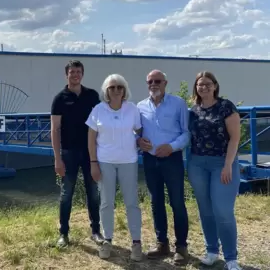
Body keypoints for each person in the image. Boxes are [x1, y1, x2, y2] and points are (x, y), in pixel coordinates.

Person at [187, 71, 242, 270]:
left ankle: (231, 258)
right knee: (206, 210)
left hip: (222, 163)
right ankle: (212, 251)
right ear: (196, 87)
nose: (204, 87)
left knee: (223, 210)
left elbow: (235, 138)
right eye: (200, 84)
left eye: (208, 84)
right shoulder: (193, 110)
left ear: (215, 86)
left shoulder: (226, 107)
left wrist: (228, 164)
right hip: (197, 164)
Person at [86, 74, 143, 261]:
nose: (116, 90)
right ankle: (107, 239)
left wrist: (140, 141)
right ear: (106, 91)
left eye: (119, 87)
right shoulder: (98, 110)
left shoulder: (132, 109)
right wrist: (93, 162)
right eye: (112, 87)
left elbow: (139, 131)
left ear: (124, 90)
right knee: (106, 202)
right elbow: (91, 139)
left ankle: (136, 243)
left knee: (132, 203)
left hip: (128, 161)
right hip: (105, 162)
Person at [136, 69, 190, 265]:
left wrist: (172, 147)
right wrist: (138, 141)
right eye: (149, 81)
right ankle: (162, 243)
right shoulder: (140, 106)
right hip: (150, 160)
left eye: (157, 81)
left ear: (165, 83)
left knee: (177, 202)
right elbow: (136, 132)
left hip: (172, 159)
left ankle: (182, 246)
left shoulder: (178, 104)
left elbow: (186, 133)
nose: (153, 84)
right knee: (156, 201)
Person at [50, 60, 104, 247]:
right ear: (67, 75)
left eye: (78, 72)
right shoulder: (60, 99)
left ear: (82, 74)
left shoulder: (92, 96)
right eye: (72, 72)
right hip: (68, 152)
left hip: (90, 151)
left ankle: (96, 231)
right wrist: (57, 159)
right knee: (66, 194)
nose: (75, 75)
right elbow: (55, 129)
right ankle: (63, 234)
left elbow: (100, 124)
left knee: (93, 192)